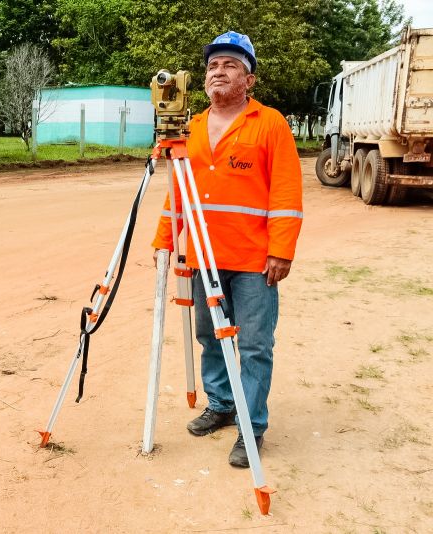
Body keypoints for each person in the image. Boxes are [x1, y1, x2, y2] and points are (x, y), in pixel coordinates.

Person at [151, 31, 303, 468]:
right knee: (208, 337)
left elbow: (287, 191)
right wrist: (165, 240)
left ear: (249, 79)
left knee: (254, 345)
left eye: (231, 65)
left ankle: (251, 426)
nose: (219, 71)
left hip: (255, 260)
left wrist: (282, 250)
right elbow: (176, 192)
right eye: (213, 65)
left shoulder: (270, 123)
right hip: (203, 256)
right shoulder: (190, 127)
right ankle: (220, 404)